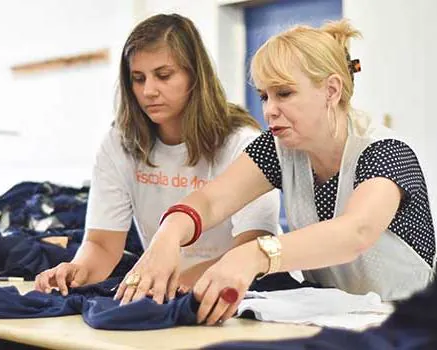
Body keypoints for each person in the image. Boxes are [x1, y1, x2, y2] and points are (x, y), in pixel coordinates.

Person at [114, 19, 436, 325]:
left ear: (332, 90)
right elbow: (213, 201)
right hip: (337, 319)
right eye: (264, 96)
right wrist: (167, 236)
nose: (269, 110)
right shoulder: (279, 148)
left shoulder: (386, 153)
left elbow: (355, 233)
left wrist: (254, 255)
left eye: (284, 94)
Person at [34, 14, 281, 299]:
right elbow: (102, 245)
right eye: (138, 79)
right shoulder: (119, 143)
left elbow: (249, 250)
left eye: (163, 76)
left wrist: (166, 283)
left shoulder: (244, 142)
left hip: (237, 291)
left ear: (194, 75)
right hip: (165, 291)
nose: (148, 91)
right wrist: (77, 270)